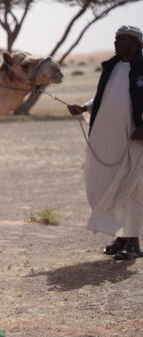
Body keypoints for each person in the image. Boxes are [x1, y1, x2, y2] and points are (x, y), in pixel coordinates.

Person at [67, 25, 143, 260]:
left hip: (134, 136)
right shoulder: (113, 66)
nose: (115, 44)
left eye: (120, 40)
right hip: (109, 136)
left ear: (136, 43)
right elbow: (104, 94)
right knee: (113, 184)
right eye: (115, 39)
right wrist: (85, 107)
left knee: (134, 186)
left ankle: (133, 242)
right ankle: (120, 235)